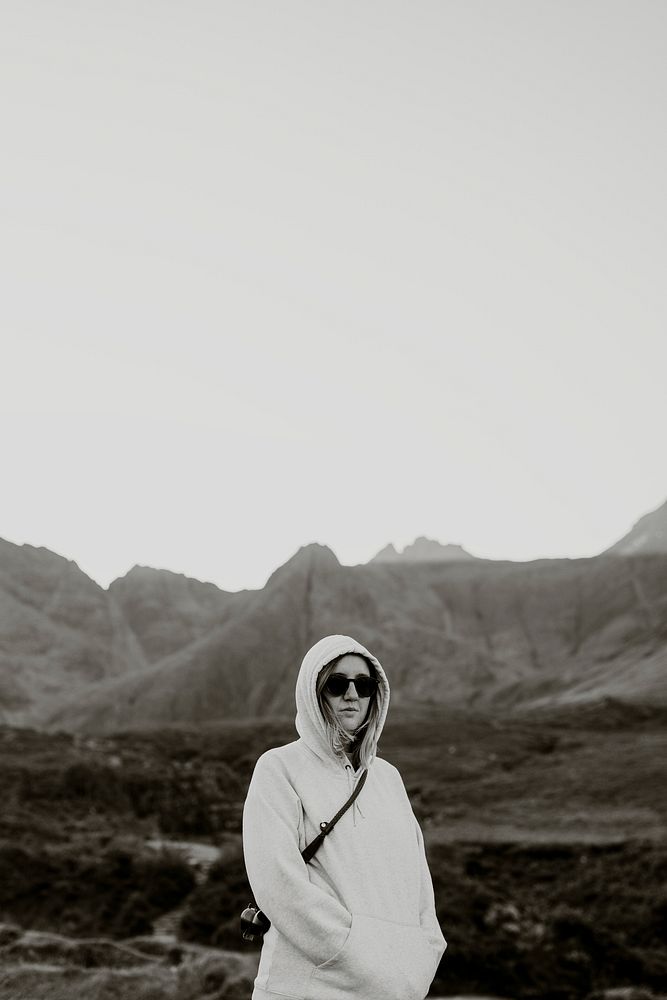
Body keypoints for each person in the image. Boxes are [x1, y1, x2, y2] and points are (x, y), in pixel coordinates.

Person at [242, 634, 447, 1000]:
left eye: (364, 685)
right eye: (337, 684)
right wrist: (352, 952)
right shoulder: (279, 768)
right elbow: (278, 884)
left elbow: (419, 885)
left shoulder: (388, 778)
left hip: (392, 991)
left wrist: (424, 954)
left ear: (375, 694)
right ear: (314, 692)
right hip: (305, 989)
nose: (352, 695)